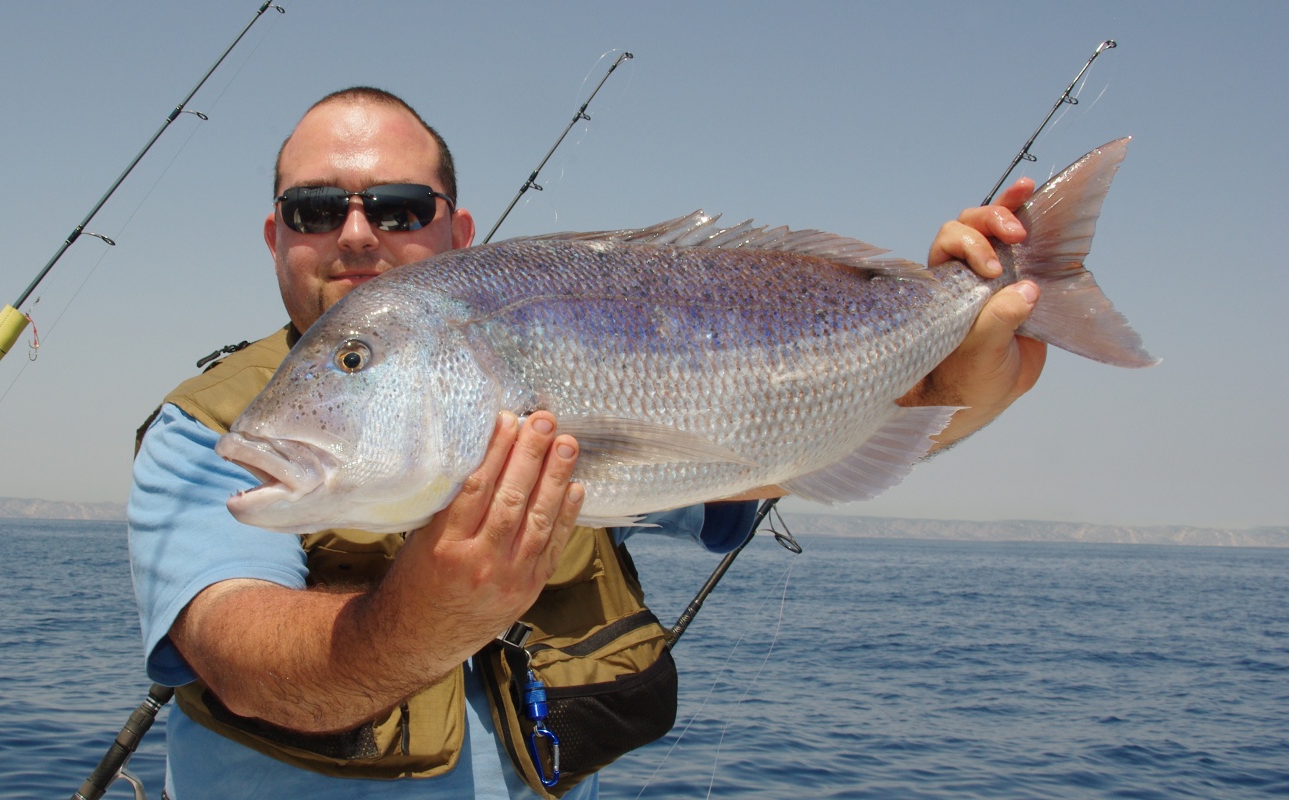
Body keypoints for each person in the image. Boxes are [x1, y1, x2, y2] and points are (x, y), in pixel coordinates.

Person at [128, 86, 1044, 799]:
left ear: (459, 231)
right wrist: (425, 615)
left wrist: (962, 369)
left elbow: (792, 449)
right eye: (315, 208)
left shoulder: (548, 363)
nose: (357, 233)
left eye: (401, 208)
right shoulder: (214, 428)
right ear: (275, 235)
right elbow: (247, 664)